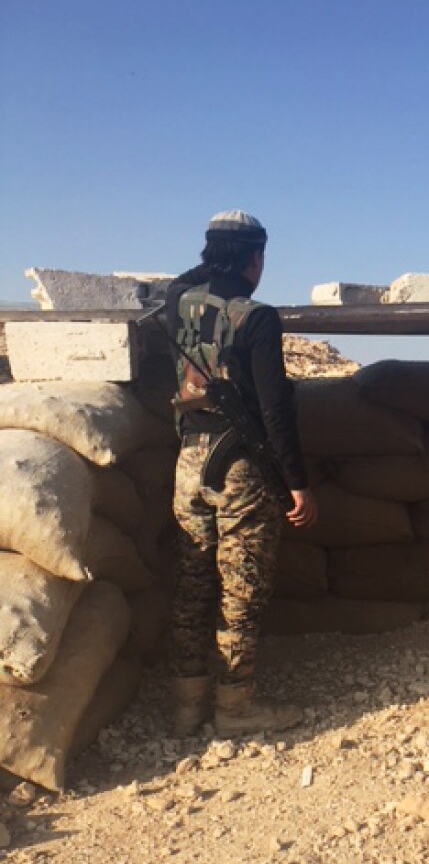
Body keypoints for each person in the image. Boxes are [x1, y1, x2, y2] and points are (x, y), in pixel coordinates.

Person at [164, 210, 317, 738]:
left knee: (191, 582)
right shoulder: (255, 316)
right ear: (255, 258)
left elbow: (185, 281)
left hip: (189, 459)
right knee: (241, 588)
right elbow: (276, 410)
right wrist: (296, 481)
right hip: (241, 469)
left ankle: (186, 707)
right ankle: (234, 707)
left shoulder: (175, 301)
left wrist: (211, 261)